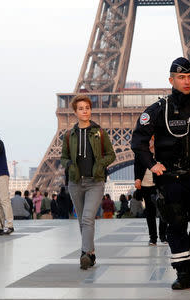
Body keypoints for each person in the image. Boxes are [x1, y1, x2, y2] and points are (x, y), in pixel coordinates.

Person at [132, 57, 190, 290]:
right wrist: (152, 164)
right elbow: (138, 140)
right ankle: (182, 271)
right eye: (181, 77)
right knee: (176, 224)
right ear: (171, 80)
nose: (186, 81)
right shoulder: (159, 110)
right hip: (171, 178)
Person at [60, 94, 115, 270]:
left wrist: (100, 165)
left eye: (87, 108)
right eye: (81, 108)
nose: (85, 111)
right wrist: (69, 165)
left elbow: (111, 154)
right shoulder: (69, 135)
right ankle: (90, 253)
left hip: (95, 182)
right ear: (75, 112)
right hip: (76, 182)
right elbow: (63, 157)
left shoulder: (100, 132)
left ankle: (84, 253)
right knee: (83, 221)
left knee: (87, 218)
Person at [134, 136, 167, 245]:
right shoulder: (141, 152)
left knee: (163, 211)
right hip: (145, 185)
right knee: (150, 213)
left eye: (151, 139)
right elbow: (137, 166)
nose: (149, 141)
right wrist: (137, 179)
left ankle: (163, 236)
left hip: (159, 185)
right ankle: (153, 238)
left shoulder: (162, 152)